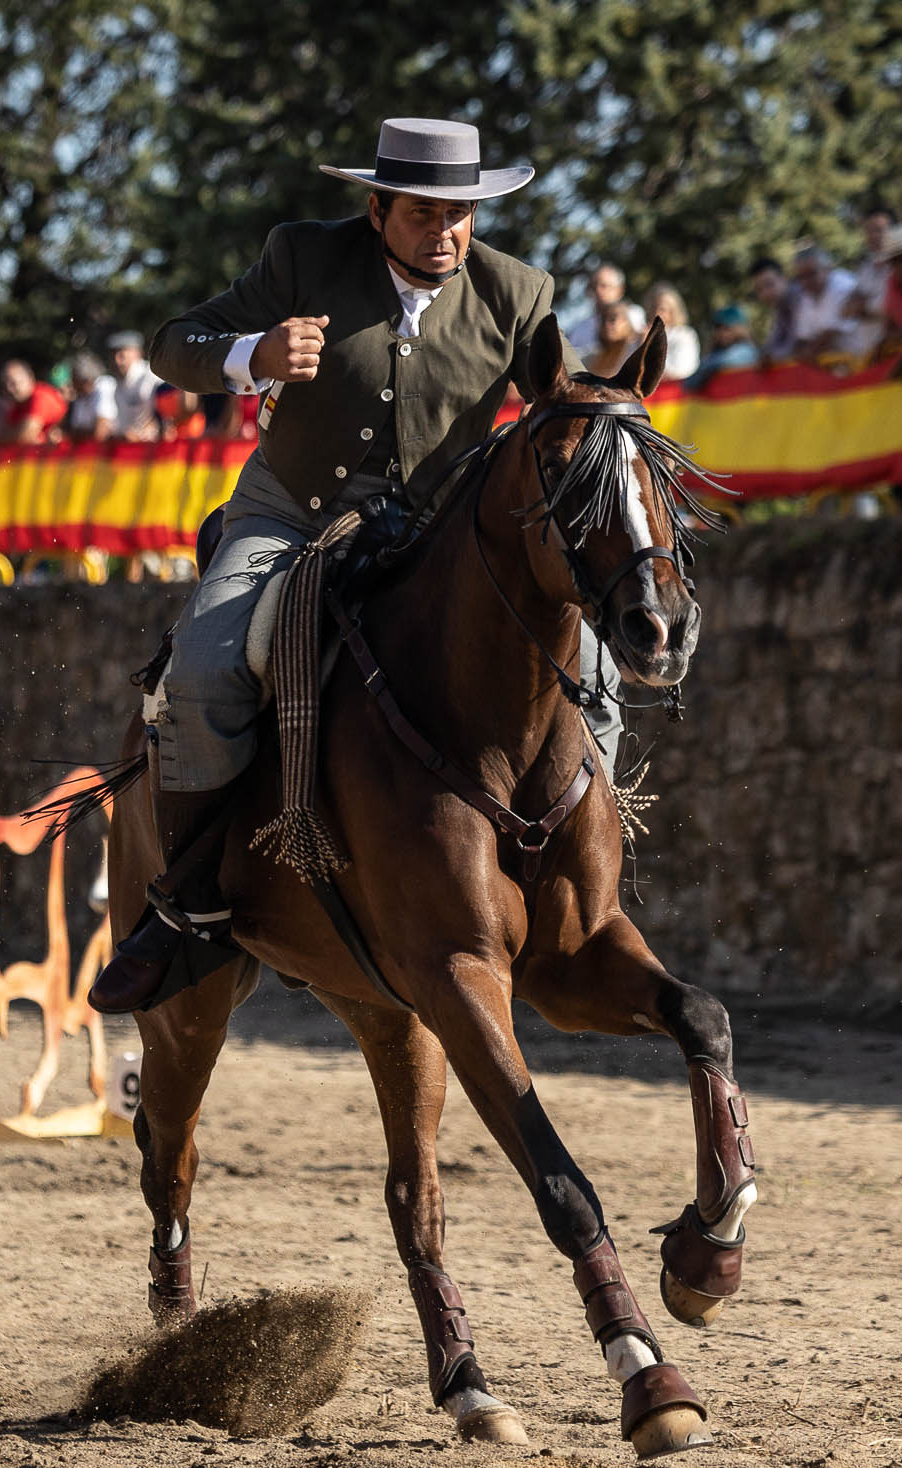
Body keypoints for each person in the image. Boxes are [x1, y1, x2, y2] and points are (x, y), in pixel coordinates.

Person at [100, 115, 586, 1014]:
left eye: (461, 214)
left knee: (582, 652)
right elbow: (174, 345)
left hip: (439, 535)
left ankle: (580, 861)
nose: (444, 231)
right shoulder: (300, 258)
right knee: (206, 671)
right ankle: (187, 910)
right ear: (376, 208)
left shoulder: (519, 291)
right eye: (422, 213)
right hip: (291, 513)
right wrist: (255, 355)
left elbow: (566, 408)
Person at [786, 247, 865, 361]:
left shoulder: (843, 284)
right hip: (834, 365)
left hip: (862, 359)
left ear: (827, 269)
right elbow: (803, 338)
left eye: (811, 274)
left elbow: (831, 334)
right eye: (801, 277)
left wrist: (807, 353)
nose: (807, 281)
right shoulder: (805, 297)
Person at [570, 263, 647, 363]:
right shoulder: (581, 327)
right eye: (594, 286)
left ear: (620, 290)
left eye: (604, 286)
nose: (598, 290)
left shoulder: (634, 314)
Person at [687, 304, 760, 389]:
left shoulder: (746, 349)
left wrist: (701, 372)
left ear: (739, 329)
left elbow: (724, 361)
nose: (721, 333)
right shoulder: (715, 352)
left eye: (726, 328)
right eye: (717, 328)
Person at [0, 359, 67, 444]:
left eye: (13, 383)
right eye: (5, 384)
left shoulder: (41, 397)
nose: (9, 389)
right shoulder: (18, 405)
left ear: (29, 378)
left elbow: (24, 437)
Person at [108, 331, 161, 440]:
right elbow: (123, 425)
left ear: (137, 352)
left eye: (122, 355)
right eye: (114, 355)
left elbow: (165, 414)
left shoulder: (152, 376)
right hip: (132, 447)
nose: (117, 361)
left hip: (156, 444)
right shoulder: (118, 385)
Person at [642, 285, 701, 379]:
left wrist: (647, 347)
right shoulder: (640, 333)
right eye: (653, 308)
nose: (656, 313)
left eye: (662, 309)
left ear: (673, 311)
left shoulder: (684, 335)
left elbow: (681, 369)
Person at [748, 257, 800, 361]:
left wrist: (771, 357)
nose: (765, 293)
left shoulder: (800, 298)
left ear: (784, 279)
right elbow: (773, 342)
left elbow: (798, 344)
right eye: (759, 289)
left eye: (769, 284)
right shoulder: (781, 307)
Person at [63, 351, 117, 439]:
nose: (72, 385)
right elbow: (75, 430)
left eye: (75, 381)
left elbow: (102, 431)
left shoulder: (104, 386)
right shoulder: (80, 395)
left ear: (85, 380)